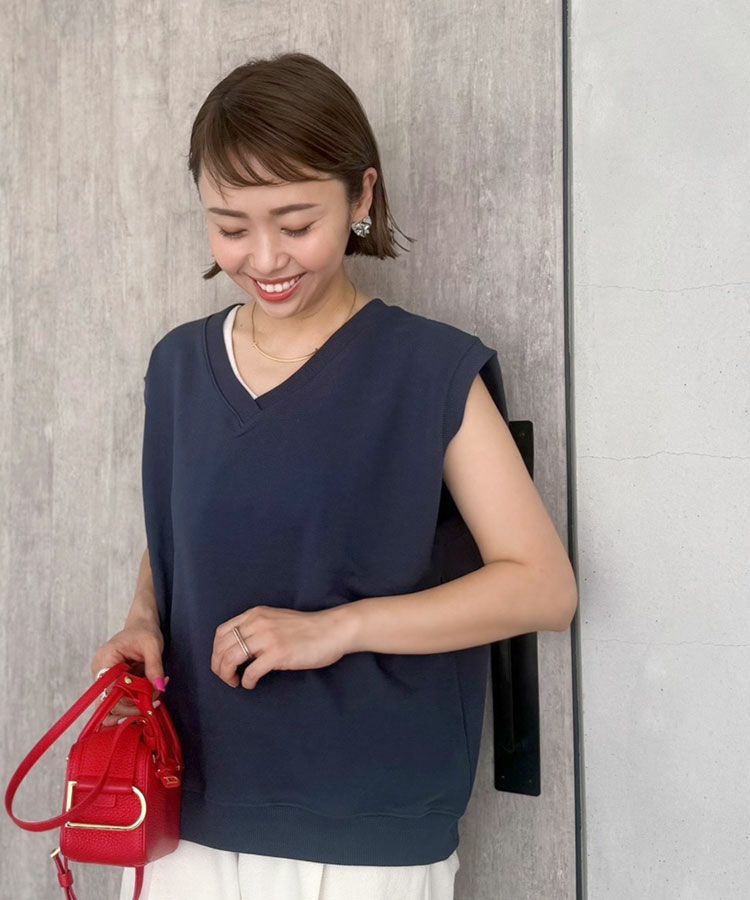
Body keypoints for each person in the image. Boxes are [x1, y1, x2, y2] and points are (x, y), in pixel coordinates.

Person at [91, 52, 577, 900]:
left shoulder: (428, 370)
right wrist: (142, 619)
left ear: (361, 197)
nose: (265, 256)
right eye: (231, 227)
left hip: (366, 828)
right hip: (186, 809)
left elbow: (543, 588)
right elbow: (181, 524)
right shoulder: (177, 367)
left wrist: (336, 629)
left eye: (295, 222)